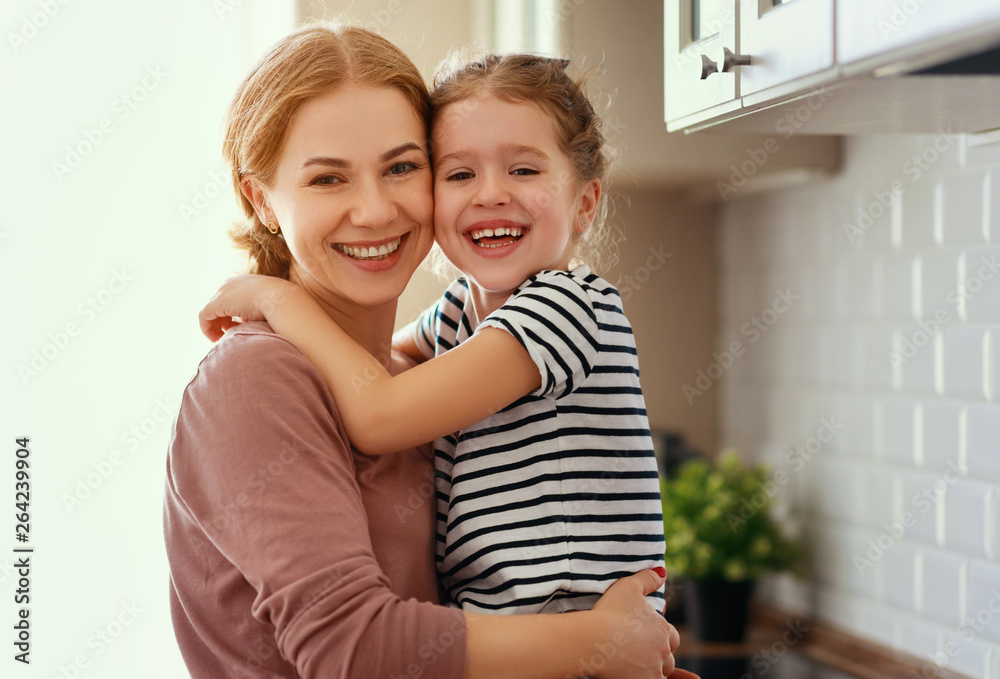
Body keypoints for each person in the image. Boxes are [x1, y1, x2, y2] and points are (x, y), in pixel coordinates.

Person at [166, 22, 689, 679]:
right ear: (261, 198)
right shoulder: (254, 376)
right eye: (329, 179)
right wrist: (597, 641)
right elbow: (355, 651)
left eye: (402, 167)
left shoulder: (412, 367)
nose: (375, 209)